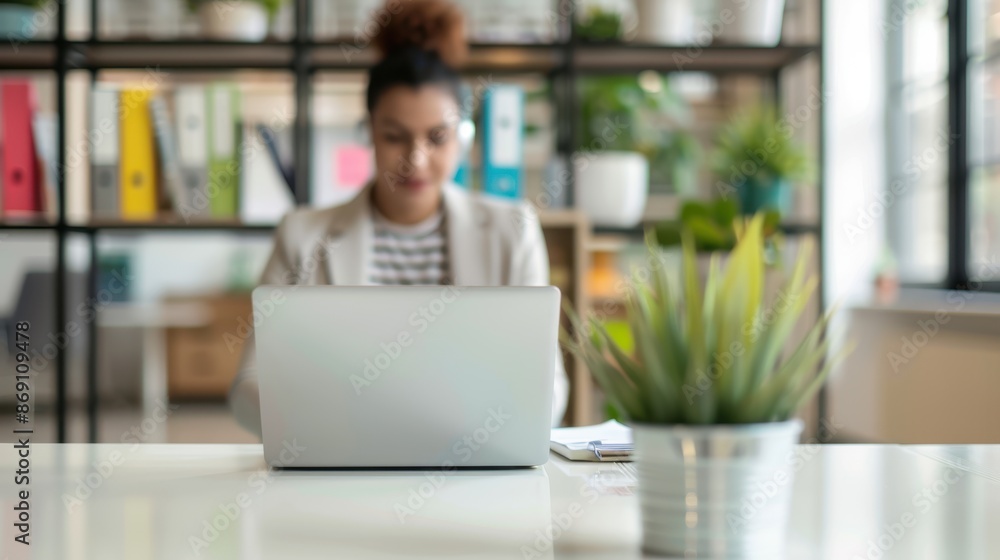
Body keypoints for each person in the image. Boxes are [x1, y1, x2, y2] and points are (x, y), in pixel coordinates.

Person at [228, 0, 569, 437]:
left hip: (471, 464)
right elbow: (246, 389)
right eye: (395, 137)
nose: (415, 159)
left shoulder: (513, 231)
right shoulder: (302, 236)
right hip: (341, 461)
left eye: (437, 137)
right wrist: (323, 419)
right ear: (368, 131)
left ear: (463, 137)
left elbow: (549, 385)